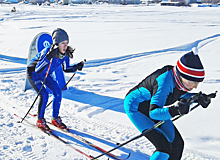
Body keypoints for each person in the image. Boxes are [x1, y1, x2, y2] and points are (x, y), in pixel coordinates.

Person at [124, 48, 213, 160]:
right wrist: (176, 110)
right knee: (163, 148)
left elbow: (177, 94)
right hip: (136, 107)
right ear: (183, 76)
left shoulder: (179, 80)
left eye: (197, 83)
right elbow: (154, 113)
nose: (195, 86)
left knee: (177, 144)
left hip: (152, 106)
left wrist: (197, 98)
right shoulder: (164, 81)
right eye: (194, 82)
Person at [27, 28, 84, 132]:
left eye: (67, 43)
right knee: (43, 94)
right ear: (57, 44)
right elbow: (38, 69)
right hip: (34, 73)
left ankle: (55, 118)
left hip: (46, 74)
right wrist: (49, 57)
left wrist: (76, 67)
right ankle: (40, 120)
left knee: (57, 92)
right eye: (63, 43)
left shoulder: (65, 54)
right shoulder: (47, 51)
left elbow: (66, 68)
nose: (66, 46)